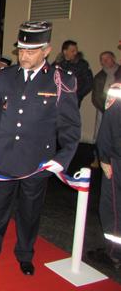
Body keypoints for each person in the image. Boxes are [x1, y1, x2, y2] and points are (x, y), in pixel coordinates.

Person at [0, 21, 81, 276]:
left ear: (46, 51)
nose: (23, 56)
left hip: (37, 161)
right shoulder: (6, 76)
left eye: (31, 51)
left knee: (30, 211)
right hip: (6, 159)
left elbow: (70, 126)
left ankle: (25, 254)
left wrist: (62, 159)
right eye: (21, 50)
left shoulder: (60, 81)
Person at [88, 83, 121, 270]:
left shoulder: (118, 90)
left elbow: (110, 124)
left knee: (113, 209)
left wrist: (105, 157)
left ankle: (114, 253)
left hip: (117, 159)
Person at [91, 51, 121, 167]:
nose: (104, 61)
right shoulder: (99, 76)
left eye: (107, 58)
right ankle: (98, 158)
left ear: (113, 58)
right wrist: (105, 109)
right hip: (103, 109)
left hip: (119, 111)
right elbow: (96, 96)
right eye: (102, 59)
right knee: (100, 134)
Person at [54, 40, 93, 107]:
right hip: (58, 101)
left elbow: (89, 83)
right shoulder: (57, 64)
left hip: (73, 101)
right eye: (73, 51)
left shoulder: (82, 64)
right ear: (65, 51)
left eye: (76, 50)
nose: (75, 53)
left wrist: (77, 96)